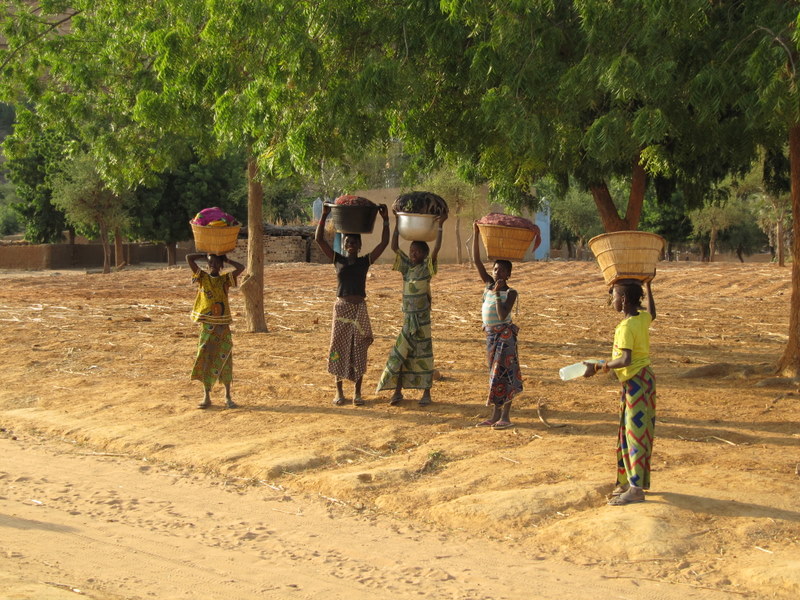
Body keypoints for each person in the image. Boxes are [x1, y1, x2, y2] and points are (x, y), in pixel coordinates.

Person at [583, 279, 656, 506]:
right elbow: (652, 313)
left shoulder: (625, 327)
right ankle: (631, 482)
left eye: (613, 296)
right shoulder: (640, 318)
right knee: (634, 432)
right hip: (643, 381)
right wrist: (650, 287)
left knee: (633, 434)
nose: (611, 301)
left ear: (623, 300)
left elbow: (626, 359)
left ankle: (635, 489)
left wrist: (597, 367)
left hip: (635, 382)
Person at [315, 201, 390, 406]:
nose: (351, 245)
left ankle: (357, 393)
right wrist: (324, 215)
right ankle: (339, 392)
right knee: (338, 347)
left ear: (359, 246)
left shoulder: (365, 261)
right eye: (348, 242)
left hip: (359, 309)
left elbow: (384, 244)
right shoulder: (337, 259)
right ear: (344, 244)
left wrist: (385, 221)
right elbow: (319, 239)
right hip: (341, 309)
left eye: (354, 243)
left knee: (359, 349)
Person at [376, 210, 447, 406]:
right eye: (411, 251)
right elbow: (393, 246)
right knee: (401, 354)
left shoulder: (426, 268)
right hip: (408, 320)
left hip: (422, 321)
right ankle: (397, 392)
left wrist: (440, 225)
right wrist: (397, 222)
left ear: (424, 254)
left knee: (424, 355)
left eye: (417, 251)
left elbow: (437, 248)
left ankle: (426, 393)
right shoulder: (407, 268)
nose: (413, 254)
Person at [472, 221, 523, 429]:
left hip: (505, 338)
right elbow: (476, 261)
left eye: (502, 271)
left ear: (509, 274)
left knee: (506, 374)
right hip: (491, 337)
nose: (497, 273)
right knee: (494, 376)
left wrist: (497, 293)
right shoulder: (489, 285)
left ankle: (506, 417)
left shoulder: (510, 293)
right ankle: (494, 414)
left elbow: (503, 314)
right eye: (495, 269)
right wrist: (476, 234)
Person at [186, 252, 245, 409]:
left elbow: (242, 267)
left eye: (216, 263)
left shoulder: (225, 280)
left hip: (222, 326)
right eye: (210, 263)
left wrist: (227, 259)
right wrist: (206, 253)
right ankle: (206, 396)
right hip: (207, 325)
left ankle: (228, 396)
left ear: (221, 266)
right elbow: (189, 258)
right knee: (205, 358)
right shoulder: (202, 277)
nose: (212, 265)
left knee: (225, 359)